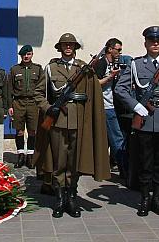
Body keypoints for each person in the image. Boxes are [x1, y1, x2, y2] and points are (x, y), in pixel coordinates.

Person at [34, 32, 109, 218]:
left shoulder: (83, 68)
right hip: (58, 120)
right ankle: (59, 198)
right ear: (60, 48)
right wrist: (48, 108)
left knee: (75, 161)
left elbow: (93, 92)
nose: (68, 47)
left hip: (79, 121)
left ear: (75, 48)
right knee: (60, 161)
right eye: (65, 44)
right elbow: (38, 93)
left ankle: (71, 196)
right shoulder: (51, 68)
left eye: (71, 45)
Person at [116, 26, 159, 217]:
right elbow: (121, 89)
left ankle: (157, 199)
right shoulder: (136, 65)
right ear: (145, 43)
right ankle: (144, 198)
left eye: (158, 41)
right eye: (152, 41)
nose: (155, 44)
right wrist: (136, 106)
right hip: (144, 121)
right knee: (144, 163)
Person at [7, 45, 43, 169]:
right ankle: (21, 155)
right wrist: (10, 105)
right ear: (21, 56)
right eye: (24, 55)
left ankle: (31, 156)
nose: (26, 57)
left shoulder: (38, 69)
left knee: (33, 130)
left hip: (33, 103)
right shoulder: (15, 70)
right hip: (18, 103)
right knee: (19, 130)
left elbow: (42, 88)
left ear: (32, 54)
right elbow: (9, 89)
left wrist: (40, 104)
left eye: (28, 54)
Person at [95, 38, 126, 177]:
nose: (120, 52)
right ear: (110, 49)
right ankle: (124, 169)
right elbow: (95, 84)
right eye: (118, 49)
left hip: (114, 105)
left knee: (109, 139)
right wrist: (110, 77)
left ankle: (104, 165)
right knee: (117, 138)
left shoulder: (113, 63)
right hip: (106, 106)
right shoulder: (101, 63)